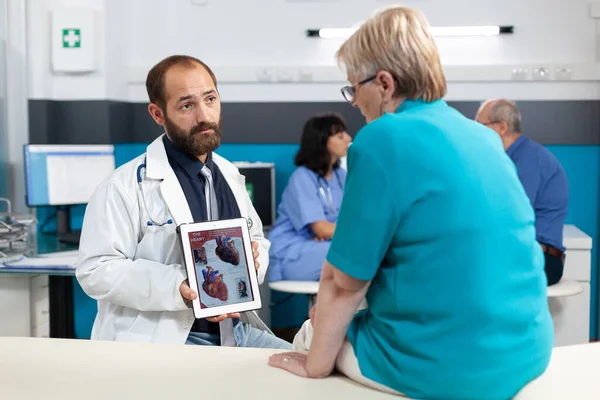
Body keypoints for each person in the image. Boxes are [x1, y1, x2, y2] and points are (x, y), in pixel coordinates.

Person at [268, 6, 552, 400]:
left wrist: (316, 361)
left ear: (384, 84)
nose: (354, 103)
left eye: (354, 89)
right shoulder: (481, 137)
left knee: (312, 331)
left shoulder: (380, 139)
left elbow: (344, 282)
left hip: (452, 370)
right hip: (528, 350)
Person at [76, 55, 291, 349]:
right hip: (170, 336)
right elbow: (96, 270)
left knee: (312, 379)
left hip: (237, 331)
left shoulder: (229, 175)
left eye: (210, 99)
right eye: (187, 105)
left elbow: (256, 239)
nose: (204, 116)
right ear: (158, 114)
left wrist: (252, 261)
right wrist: (178, 285)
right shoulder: (124, 186)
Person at [476, 99, 569, 285]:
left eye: (480, 126)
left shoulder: (529, 160)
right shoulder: (512, 158)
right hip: (525, 254)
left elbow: (512, 216)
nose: (475, 133)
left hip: (540, 260)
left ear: (501, 127)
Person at [267, 113, 352, 281]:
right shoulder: (302, 177)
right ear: (322, 141)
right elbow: (321, 229)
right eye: (340, 135)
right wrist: (329, 231)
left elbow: (348, 220)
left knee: (357, 253)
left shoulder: (341, 175)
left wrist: (330, 232)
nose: (349, 139)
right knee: (352, 254)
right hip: (294, 251)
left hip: (326, 244)